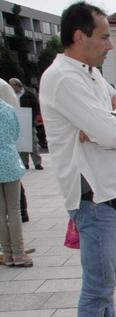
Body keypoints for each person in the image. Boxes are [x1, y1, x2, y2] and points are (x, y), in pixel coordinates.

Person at [40, 1, 116, 317]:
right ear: (79, 36)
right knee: (97, 288)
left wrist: (112, 119)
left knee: (108, 282)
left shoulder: (90, 74)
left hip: (108, 191)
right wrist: (111, 124)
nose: (110, 45)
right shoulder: (63, 78)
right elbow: (113, 135)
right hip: (93, 195)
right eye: (104, 37)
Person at [0, 98, 31, 267]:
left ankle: (6, 254)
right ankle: (18, 254)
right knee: (14, 209)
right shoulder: (7, 109)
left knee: (0, 212)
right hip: (9, 161)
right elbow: (16, 133)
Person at [9, 78, 43, 170]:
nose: (12, 88)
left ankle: (37, 163)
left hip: (29, 121)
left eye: (13, 86)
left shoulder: (28, 94)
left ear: (18, 85)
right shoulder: (12, 95)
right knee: (22, 143)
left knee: (33, 142)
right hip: (17, 122)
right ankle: (24, 163)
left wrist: (32, 117)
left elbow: (36, 106)